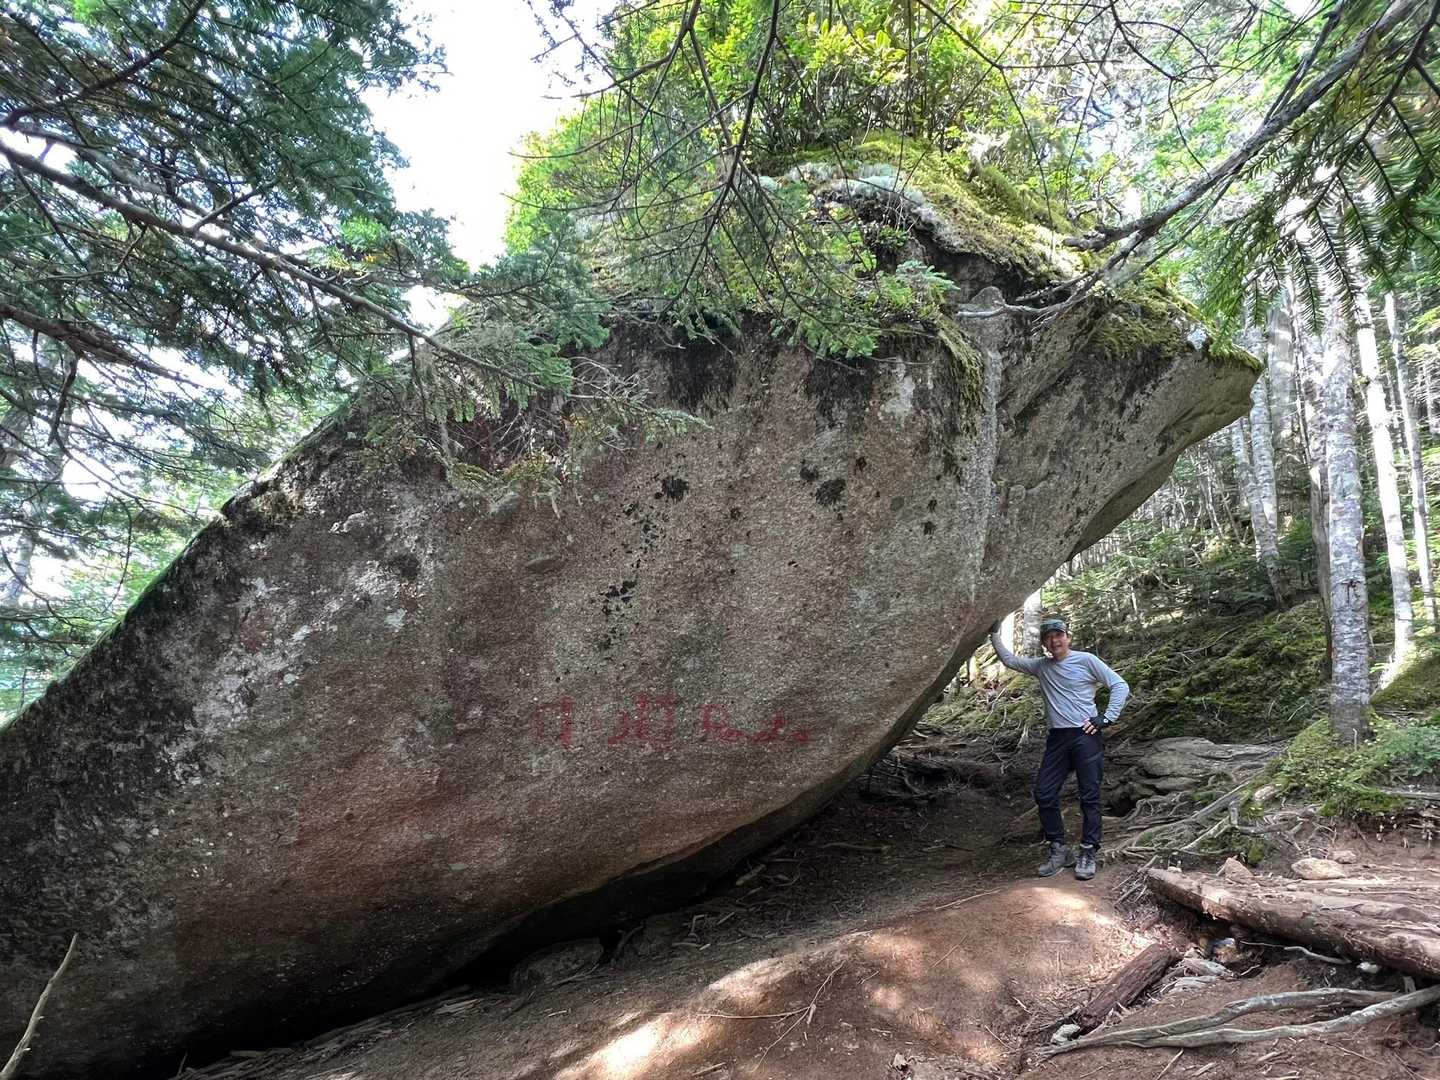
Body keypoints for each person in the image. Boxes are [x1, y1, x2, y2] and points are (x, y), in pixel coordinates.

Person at [988, 616, 1129, 881]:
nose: (1054, 641)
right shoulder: (1041, 666)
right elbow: (1010, 660)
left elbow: (1119, 685)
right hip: (1057, 738)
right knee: (1044, 792)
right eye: (1049, 637)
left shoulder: (1086, 660)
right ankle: (1059, 849)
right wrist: (994, 634)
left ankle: (1088, 851)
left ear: (1068, 637)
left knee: (1089, 795)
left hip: (1086, 735)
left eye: (1058, 635)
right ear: (1044, 643)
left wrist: (1106, 718)